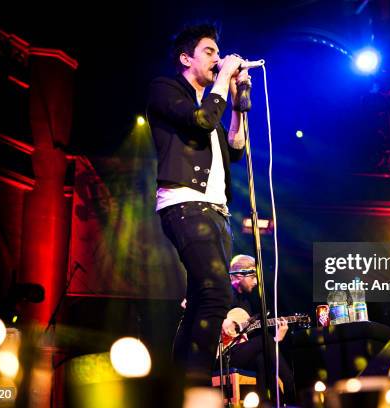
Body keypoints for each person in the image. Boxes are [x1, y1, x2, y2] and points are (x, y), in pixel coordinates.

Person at [146, 23, 250, 386]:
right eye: (209, 52)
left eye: (218, 53)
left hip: (215, 211)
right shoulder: (166, 89)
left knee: (200, 298)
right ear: (185, 58)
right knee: (217, 294)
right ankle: (195, 386)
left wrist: (236, 103)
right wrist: (222, 82)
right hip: (185, 203)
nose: (218, 58)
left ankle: (177, 385)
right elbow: (201, 121)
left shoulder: (214, 103)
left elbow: (235, 149)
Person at [221, 254, 297, 404]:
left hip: (237, 352)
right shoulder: (223, 295)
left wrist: (278, 339)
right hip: (222, 355)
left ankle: (270, 403)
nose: (256, 282)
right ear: (237, 275)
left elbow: (244, 339)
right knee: (266, 339)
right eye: (252, 277)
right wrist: (222, 323)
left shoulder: (246, 303)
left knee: (261, 359)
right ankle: (290, 388)